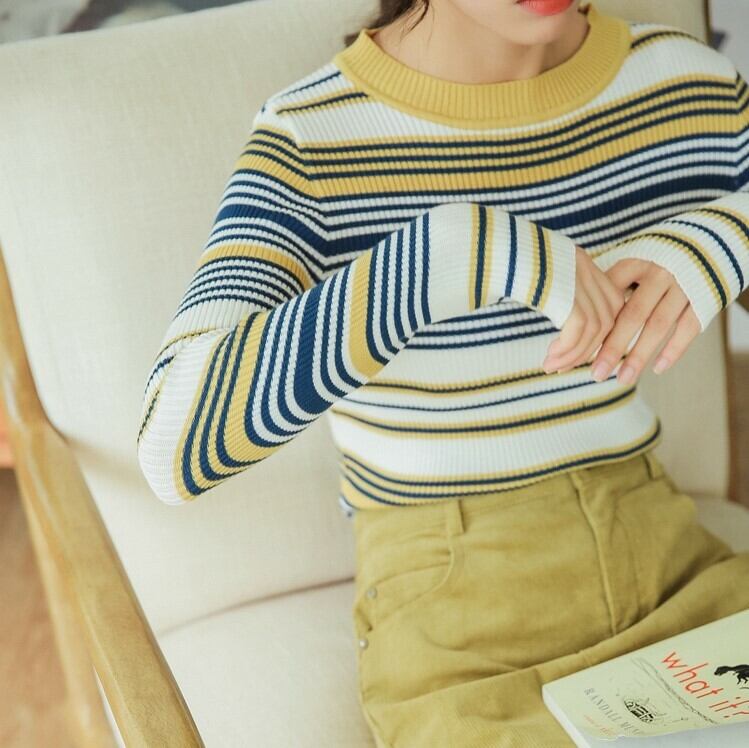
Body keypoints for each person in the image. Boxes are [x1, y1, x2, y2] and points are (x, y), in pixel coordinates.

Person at [136, 0, 749, 744]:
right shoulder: (310, 141)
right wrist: (443, 254)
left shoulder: (684, 88)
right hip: (457, 631)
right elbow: (171, 447)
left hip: (674, 566)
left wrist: (727, 236)